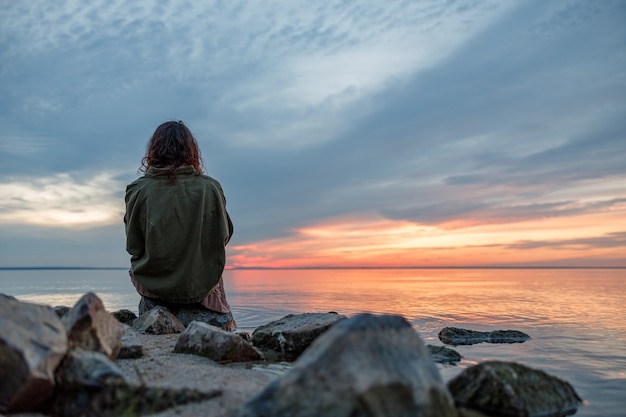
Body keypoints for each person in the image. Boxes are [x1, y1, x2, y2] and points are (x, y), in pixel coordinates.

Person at [124, 120, 234, 315]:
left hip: (153, 285)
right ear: (191, 151)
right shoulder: (210, 188)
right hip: (199, 286)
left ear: (154, 151)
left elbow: (133, 246)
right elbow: (223, 238)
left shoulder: (138, 190)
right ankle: (219, 323)